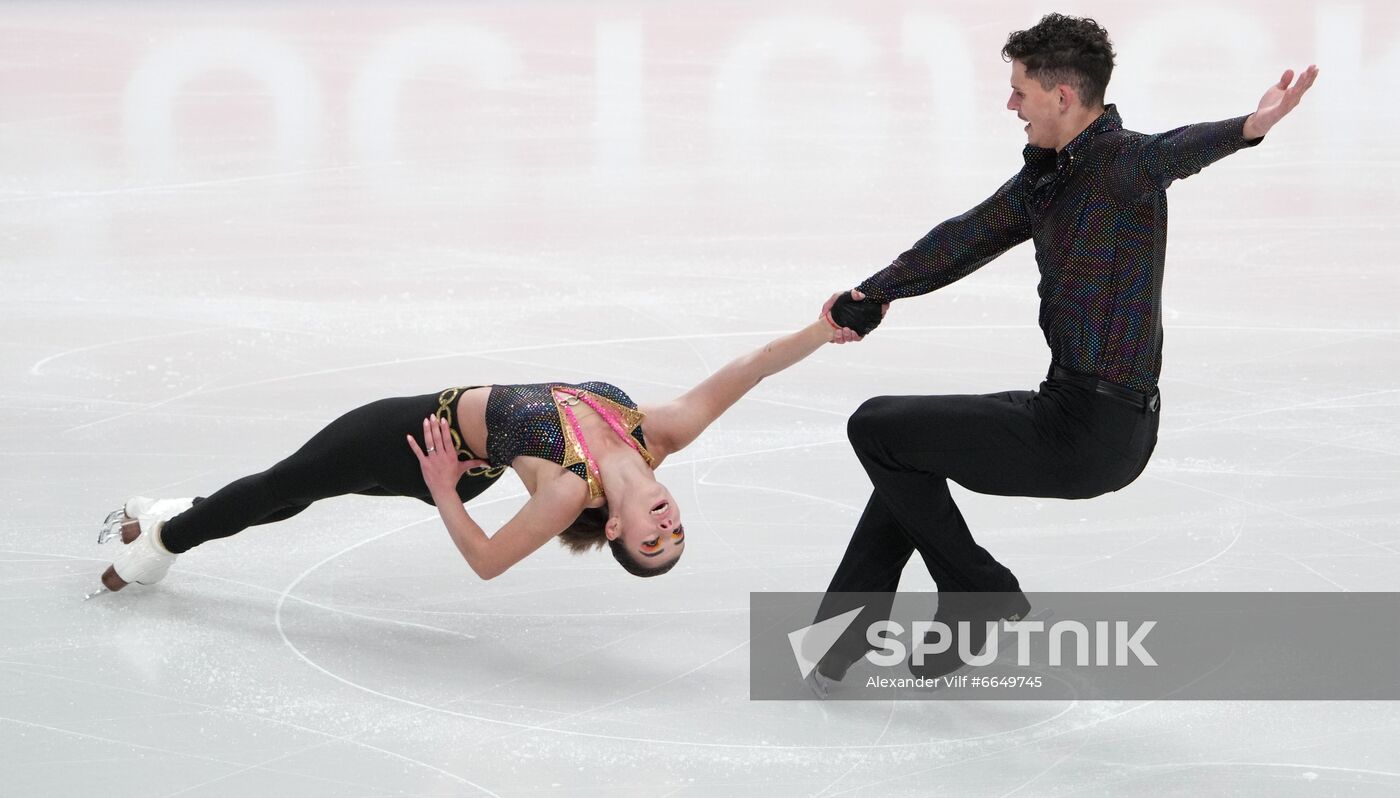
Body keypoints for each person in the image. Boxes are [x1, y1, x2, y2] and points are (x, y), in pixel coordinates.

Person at [808, 13, 1318, 691]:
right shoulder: (1049, 180)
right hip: (1081, 412)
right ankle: (840, 642)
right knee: (904, 448)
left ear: (1063, 97)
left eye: (1020, 90)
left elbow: (1179, 149)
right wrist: (875, 293)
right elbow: (967, 236)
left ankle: (978, 593)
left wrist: (1249, 128)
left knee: (875, 426)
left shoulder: (1123, 164)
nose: (1010, 104)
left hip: (1092, 431)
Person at [96, 318, 839, 592]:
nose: (666, 526)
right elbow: (752, 368)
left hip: (412, 443)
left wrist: (445, 486)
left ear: (615, 529)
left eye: (651, 542)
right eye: (675, 534)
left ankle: (160, 541)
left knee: (283, 486)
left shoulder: (565, 496)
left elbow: (487, 562)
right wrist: (822, 328)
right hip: (448, 449)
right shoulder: (658, 433)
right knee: (290, 493)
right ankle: (183, 515)